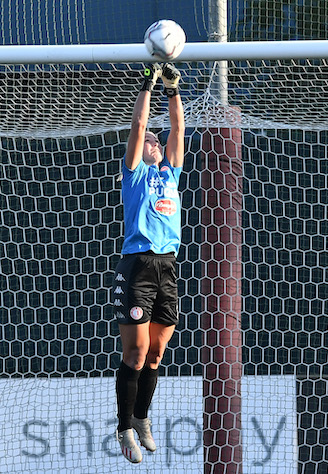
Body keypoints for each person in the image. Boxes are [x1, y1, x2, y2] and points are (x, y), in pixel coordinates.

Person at [111, 62, 185, 464]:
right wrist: (149, 83)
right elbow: (139, 127)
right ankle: (123, 426)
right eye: (150, 141)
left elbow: (178, 129)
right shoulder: (136, 174)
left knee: (156, 353)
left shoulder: (171, 173)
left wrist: (172, 90)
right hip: (137, 266)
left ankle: (141, 418)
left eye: (158, 140)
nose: (154, 141)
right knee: (136, 354)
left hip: (166, 267)